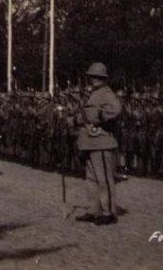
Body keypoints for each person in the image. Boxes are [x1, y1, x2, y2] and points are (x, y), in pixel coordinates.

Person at [72, 62, 123, 225]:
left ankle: (108, 212)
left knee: (104, 179)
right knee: (91, 178)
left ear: (102, 78)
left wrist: (98, 117)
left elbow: (116, 109)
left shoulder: (106, 93)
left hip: (101, 141)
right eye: (91, 76)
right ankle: (93, 210)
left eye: (96, 77)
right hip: (90, 142)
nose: (92, 79)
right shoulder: (93, 94)